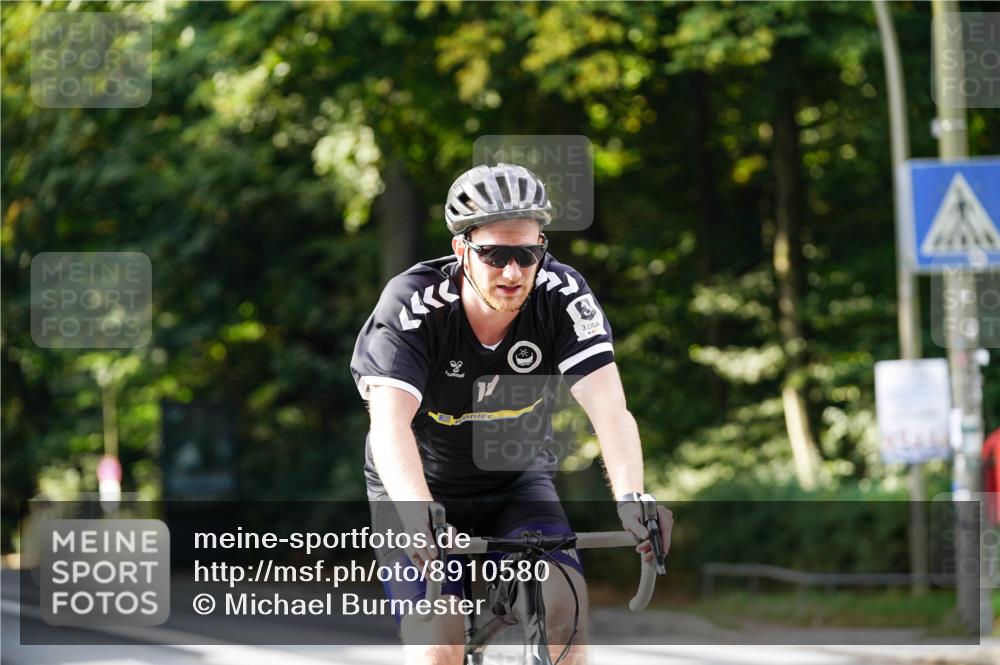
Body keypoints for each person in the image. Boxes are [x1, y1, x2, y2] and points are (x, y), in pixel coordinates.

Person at [350, 163, 672, 664]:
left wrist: (633, 497)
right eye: (495, 254)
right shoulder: (412, 304)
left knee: (565, 612)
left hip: (515, 480)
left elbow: (610, 409)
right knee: (439, 643)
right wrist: (417, 513)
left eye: (527, 254)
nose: (513, 272)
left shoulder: (563, 296)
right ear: (462, 250)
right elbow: (389, 424)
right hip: (419, 486)